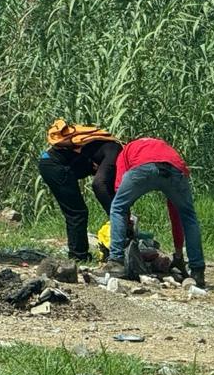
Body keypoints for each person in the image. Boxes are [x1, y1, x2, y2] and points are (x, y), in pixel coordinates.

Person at [107, 137, 204, 287]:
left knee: (118, 207)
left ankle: (116, 262)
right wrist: (178, 253)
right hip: (175, 169)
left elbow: (119, 192)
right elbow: (176, 214)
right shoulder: (164, 147)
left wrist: (127, 227)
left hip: (142, 168)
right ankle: (197, 271)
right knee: (188, 216)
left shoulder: (125, 152)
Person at [37, 120, 122, 264]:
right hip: (55, 166)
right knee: (77, 212)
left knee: (76, 211)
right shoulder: (115, 151)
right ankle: (78, 256)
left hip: (52, 163)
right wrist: (117, 214)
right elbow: (99, 184)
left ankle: (78, 254)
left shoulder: (103, 145)